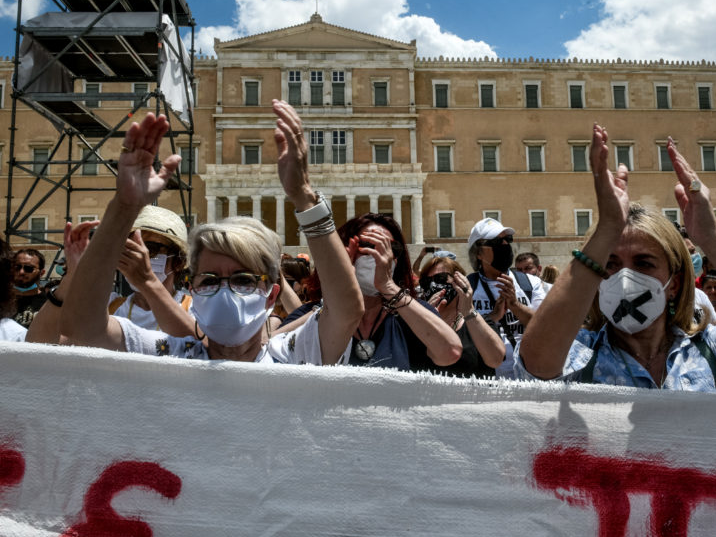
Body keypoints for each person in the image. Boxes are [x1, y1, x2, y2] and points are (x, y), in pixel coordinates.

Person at [515, 125, 716, 396]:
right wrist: (604, 233)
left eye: (644, 263)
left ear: (675, 283)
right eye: (610, 264)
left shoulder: (714, 349)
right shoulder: (580, 353)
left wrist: (714, 240)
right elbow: (537, 367)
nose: (624, 277)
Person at [58, 101, 363, 364]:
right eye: (209, 280)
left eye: (243, 279)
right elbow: (82, 326)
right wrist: (124, 207)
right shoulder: (171, 356)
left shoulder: (292, 355)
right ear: (191, 289)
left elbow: (346, 310)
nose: (225, 291)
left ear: (272, 296)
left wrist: (304, 196)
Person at [297, 213, 463, 371]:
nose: (379, 256)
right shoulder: (310, 314)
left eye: (392, 249)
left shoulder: (409, 313)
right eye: (368, 246)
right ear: (345, 252)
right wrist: (337, 295)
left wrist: (389, 287)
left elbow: (450, 352)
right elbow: (273, 350)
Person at [467, 218, 548, 379]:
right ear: (478, 253)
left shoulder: (530, 283)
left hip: (528, 376)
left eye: (507, 239)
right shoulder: (467, 289)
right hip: (485, 379)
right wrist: (491, 318)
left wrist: (515, 305)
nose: (505, 245)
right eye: (497, 241)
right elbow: (461, 334)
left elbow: (545, 328)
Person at [107, 205, 194, 335]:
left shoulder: (194, 309)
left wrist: (147, 282)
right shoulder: (111, 307)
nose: (138, 255)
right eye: (132, 247)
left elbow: (207, 346)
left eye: (150, 249)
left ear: (178, 262)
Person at [418, 256, 505, 377]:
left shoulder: (479, 322)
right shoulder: (416, 324)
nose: (433, 285)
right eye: (426, 282)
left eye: (441, 278)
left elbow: (496, 359)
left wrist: (468, 310)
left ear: (459, 282)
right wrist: (427, 318)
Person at [12, 248, 48, 328]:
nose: (21, 272)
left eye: (29, 268)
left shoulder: (48, 304)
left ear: (41, 273)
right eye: (17, 267)